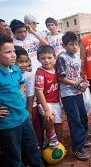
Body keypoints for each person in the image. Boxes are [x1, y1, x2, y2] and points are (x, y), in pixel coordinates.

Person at [0, 34, 43, 166]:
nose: (13, 55)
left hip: (24, 118)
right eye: (8, 52)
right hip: (8, 124)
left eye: (13, 50)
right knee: (15, 157)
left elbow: (22, 82)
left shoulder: (16, 69)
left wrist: (20, 92)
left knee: (33, 149)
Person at [56, 31, 91, 160]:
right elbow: (61, 78)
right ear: (64, 45)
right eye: (71, 44)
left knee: (83, 116)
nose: (75, 47)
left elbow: (79, 76)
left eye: (76, 44)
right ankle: (78, 148)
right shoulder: (62, 58)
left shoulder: (78, 59)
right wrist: (77, 85)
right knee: (74, 119)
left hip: (77, 93)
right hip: (68, 94)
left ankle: (83, 138)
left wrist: (83, 83)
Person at [35, 45, 62, 148]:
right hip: (45, 102)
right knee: (50, 117)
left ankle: (60, 143)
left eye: (49, 58)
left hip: (56, 101)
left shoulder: (56, 69)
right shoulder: (40, 72)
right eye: (43, 58)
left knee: (59, 123)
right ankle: (51, 136)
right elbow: (39, 92)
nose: (46, 61)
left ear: (54, 57)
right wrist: (46, 109)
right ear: (38, 59)